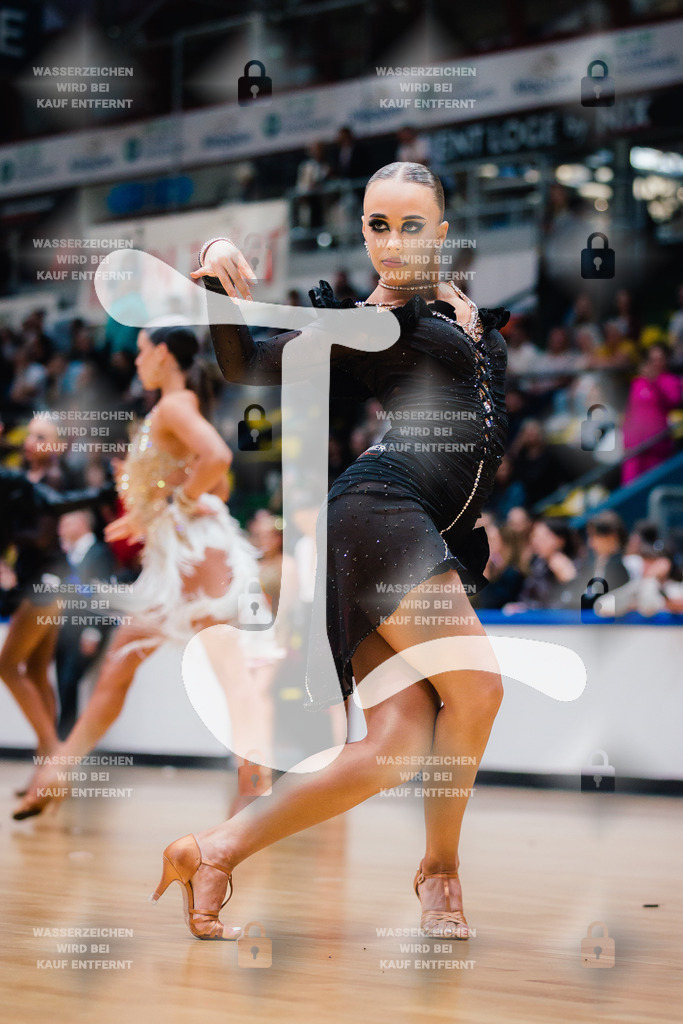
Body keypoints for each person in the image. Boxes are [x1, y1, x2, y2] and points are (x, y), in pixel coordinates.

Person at [150, 162, 509, 941]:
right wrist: (218, 269)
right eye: (376, 225)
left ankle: (213, 851)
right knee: (476, 690)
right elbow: (246, 363)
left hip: (416, 529)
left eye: (410, 225)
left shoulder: (459, 316)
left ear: (441, 232)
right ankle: (439, 873)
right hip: (380, 515)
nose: (391, 242)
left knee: (393, 745)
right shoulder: (373, 326)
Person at [13, 321, 260, 819]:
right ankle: (57, 771)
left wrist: (176, 503)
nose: (137, 359)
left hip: (197, 554)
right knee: (120, 667)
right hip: (177, 554)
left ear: (165, 354)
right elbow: (217, 483)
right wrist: (144, 512)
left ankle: (253, 786)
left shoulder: (175, 405)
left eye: (144, 350)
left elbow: (217, 457)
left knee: (224, 674)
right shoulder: (167, 410)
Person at [54, 509, 117, 738]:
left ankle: (65, 741)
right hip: (63, 632)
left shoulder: (99, 553)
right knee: (62, 685)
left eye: (65, 522)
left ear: (82, 522)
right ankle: (61, 740)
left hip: (84, 630)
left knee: (70, 683)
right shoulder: (66, 554)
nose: (60, 528)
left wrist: (93, 630)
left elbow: (102, 594)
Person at [621, 343, 682, 485]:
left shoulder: (670, 381)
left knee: (654, 486)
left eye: (660, 359)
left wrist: (654, 383)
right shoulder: (638, 382)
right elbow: (631, 410)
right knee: (629, 487)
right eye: (652, 359)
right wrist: (624, 437)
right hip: (634, 446)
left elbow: (673, 401)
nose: (656, 363)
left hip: (656, 446)